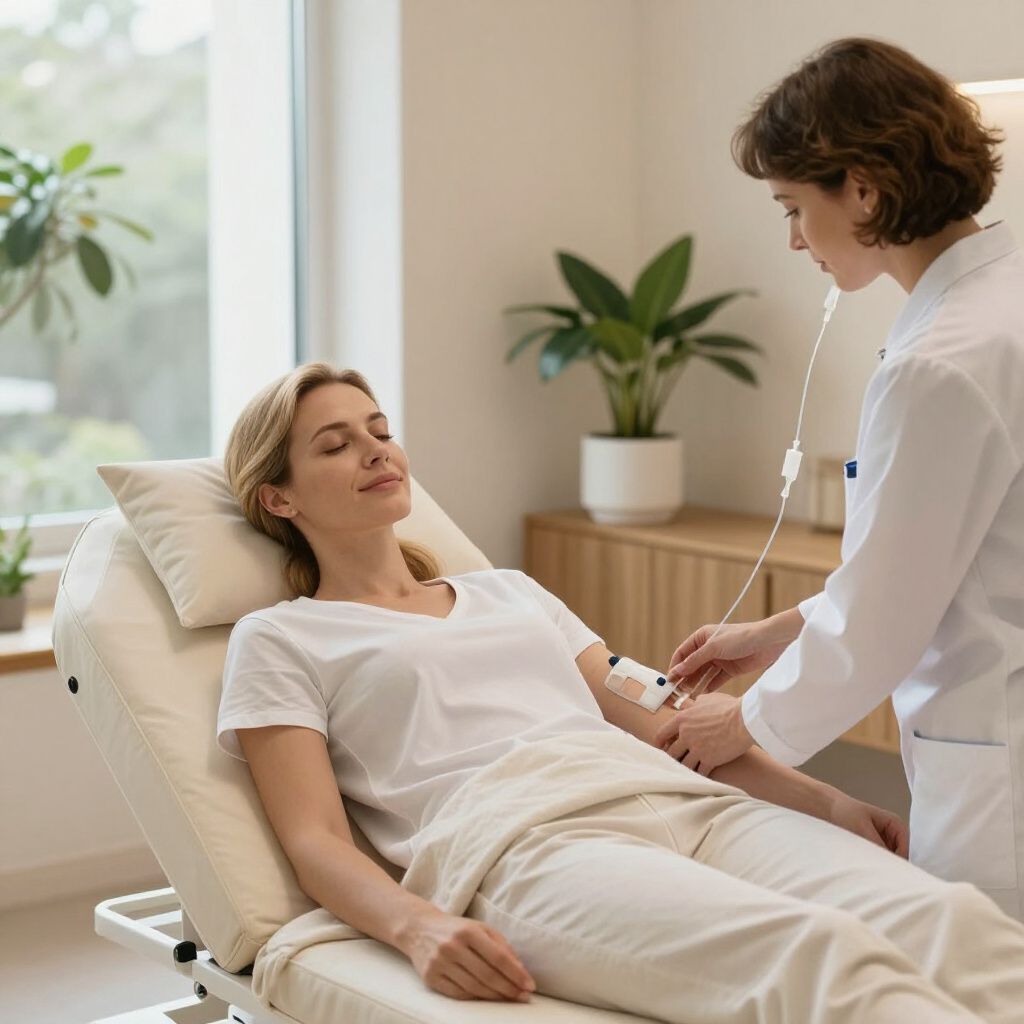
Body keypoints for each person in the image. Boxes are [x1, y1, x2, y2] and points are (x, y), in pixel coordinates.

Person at [216, 361, 1024, 1023]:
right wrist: (420, 927)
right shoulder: (282, 638)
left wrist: (828, 804)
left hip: (685, 803)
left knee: (946, 920)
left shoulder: (511, 592)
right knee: (822, 959)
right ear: (278, 499)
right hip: (525, 845)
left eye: (381, 432)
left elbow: (667, 721)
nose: (376, 451)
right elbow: (316, 837)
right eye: (336, 445)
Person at [656, 37, 1024, 922]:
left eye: (791, 206)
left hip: (999, 768)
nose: (791, 239)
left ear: (862, 186)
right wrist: (782, 629)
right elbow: (952, 557)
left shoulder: (942, 363)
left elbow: (883, 619)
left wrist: (738, 725)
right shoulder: (999, 302)